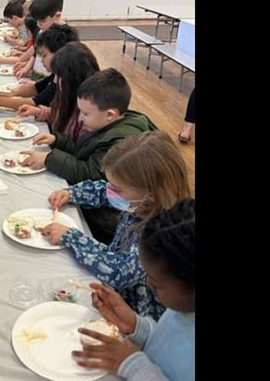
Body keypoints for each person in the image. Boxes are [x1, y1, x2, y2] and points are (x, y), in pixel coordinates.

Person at [43, 131, 191, 319]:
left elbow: (118, 272)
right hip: (116, 297)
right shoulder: (140, 201)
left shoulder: (163, 236)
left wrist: (72, 237)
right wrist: (71, 193)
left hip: (136, 315)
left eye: (117, 189)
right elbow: (105, 192)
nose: (110, 191)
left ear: (151, 193)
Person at [22, 68, 157, 242]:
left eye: (85, 114)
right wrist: (57, 141)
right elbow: (83, 150)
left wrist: (49, 158)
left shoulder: (120, 141)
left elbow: (90, 172)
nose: (80, 119)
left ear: (110, 115)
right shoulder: (106, 126)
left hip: (106, 224)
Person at [72, 198, 195, 381]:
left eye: (156, 283)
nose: (148, 284)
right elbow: (164, 345)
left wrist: (133, 364)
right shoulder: (184, 306)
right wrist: (136, 325)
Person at [17, 41, 100, 138]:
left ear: (73, 77)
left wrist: (55, 142)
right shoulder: (69, 94)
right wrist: (39, 112)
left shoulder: (89, 108)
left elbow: (78, 147)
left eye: (60, 77)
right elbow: (61, 114)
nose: (56, 81)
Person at [0, 23, 79, 110]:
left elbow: (39, 101)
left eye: (44, 55)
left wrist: (2, 102)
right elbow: (38, 87)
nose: (41, 60)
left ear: (60, 54)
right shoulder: (57, 73)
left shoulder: (67, 78)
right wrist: (13, 93)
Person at [14, 0, 65, 80]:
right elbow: (35, 53)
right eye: (36, 20)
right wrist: (26, 68)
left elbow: (57, 77)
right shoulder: (42, 32)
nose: (38, 24)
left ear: (57, 16)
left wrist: (36, 86)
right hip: (36, 81)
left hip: (46, 87)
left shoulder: (65, 38)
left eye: (42, 21)